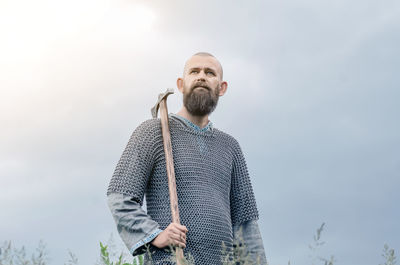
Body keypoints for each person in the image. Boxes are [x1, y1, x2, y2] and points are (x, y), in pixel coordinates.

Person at [107, 52, 267, 264]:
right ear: (181, 84)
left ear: (222, 87)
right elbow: (120, 196)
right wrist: (155, 234)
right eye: (194, 71)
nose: (201, 76)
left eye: (210, 73)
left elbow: (245, 226)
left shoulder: (230, 147)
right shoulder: (153, 132)